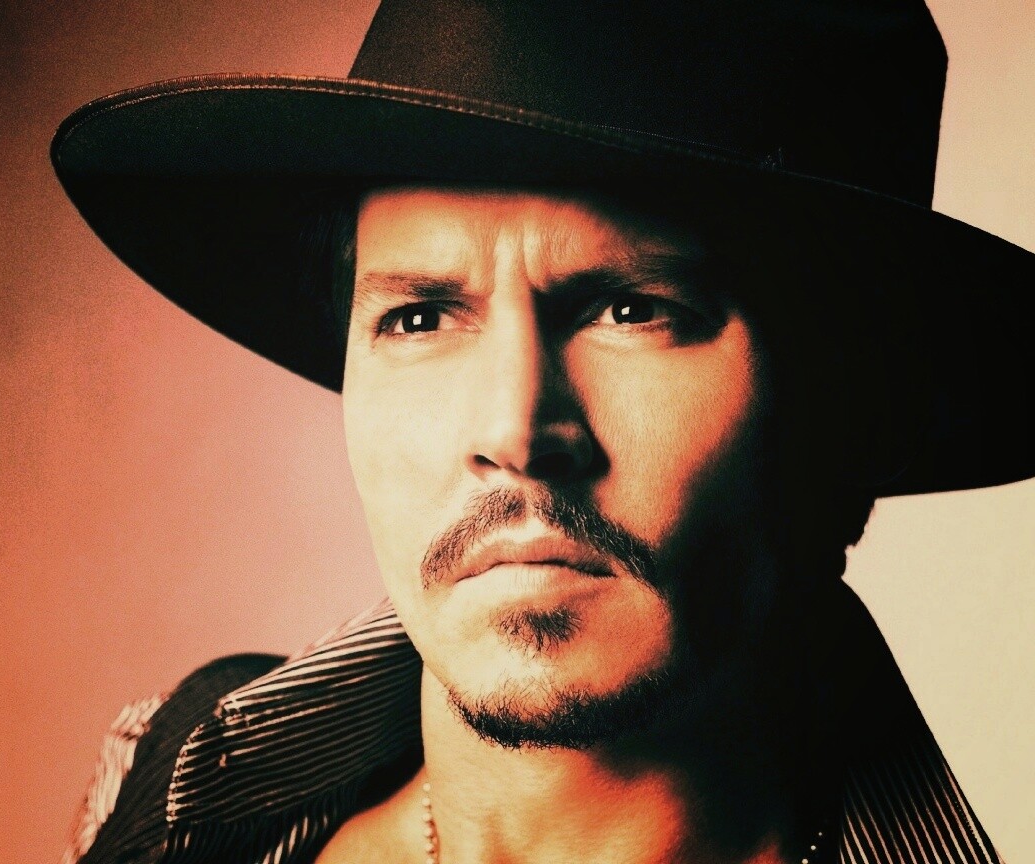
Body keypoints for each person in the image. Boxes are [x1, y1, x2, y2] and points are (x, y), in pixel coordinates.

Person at [52, 1, 1033, 863]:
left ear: (844, 411)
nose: (513, 430)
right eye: (419, 317)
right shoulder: (169, 793)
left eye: (632, 309)